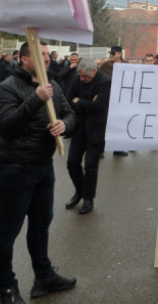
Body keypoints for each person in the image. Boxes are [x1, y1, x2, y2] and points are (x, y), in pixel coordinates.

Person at [0, 41, 76, 304]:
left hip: (43, 166)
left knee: (41, 224)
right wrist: (35, 98)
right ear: (23, 59)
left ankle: (44, 276)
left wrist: (64, 125)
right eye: (39, 55)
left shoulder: (54, 86)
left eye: (47, 55)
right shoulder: (6, 88)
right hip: (14, 168)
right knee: (8, 231)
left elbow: (71, 115)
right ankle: (7, 288)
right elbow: (5, 126)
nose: (46, 59)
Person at [64, 57, 111, 215]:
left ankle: (88, 198)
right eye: (80, 76)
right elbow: (69, 98)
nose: (82, 79)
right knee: (72, 163)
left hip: (96, 128)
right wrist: (85, 102)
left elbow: (98, 106)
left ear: (94, 70)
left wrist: (79, 102)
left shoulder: (104, 81)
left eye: (85, 76)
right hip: (78, 127)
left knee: (90, 166)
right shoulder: (77, 78)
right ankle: (80, 191)